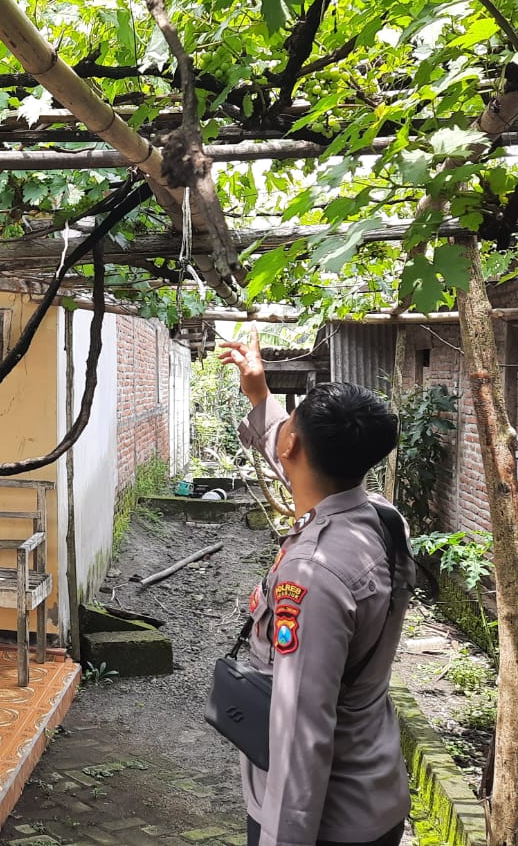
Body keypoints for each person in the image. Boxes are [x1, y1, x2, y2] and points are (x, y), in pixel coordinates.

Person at [219, 336, 413, 846]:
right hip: (374, 788)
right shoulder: (382, 517)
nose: (283, 431)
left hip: (328, 821)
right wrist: (259, 397)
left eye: (291, 422)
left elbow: (300, 731)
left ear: (293, 445)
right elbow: (288, 449)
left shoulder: (314, 573)